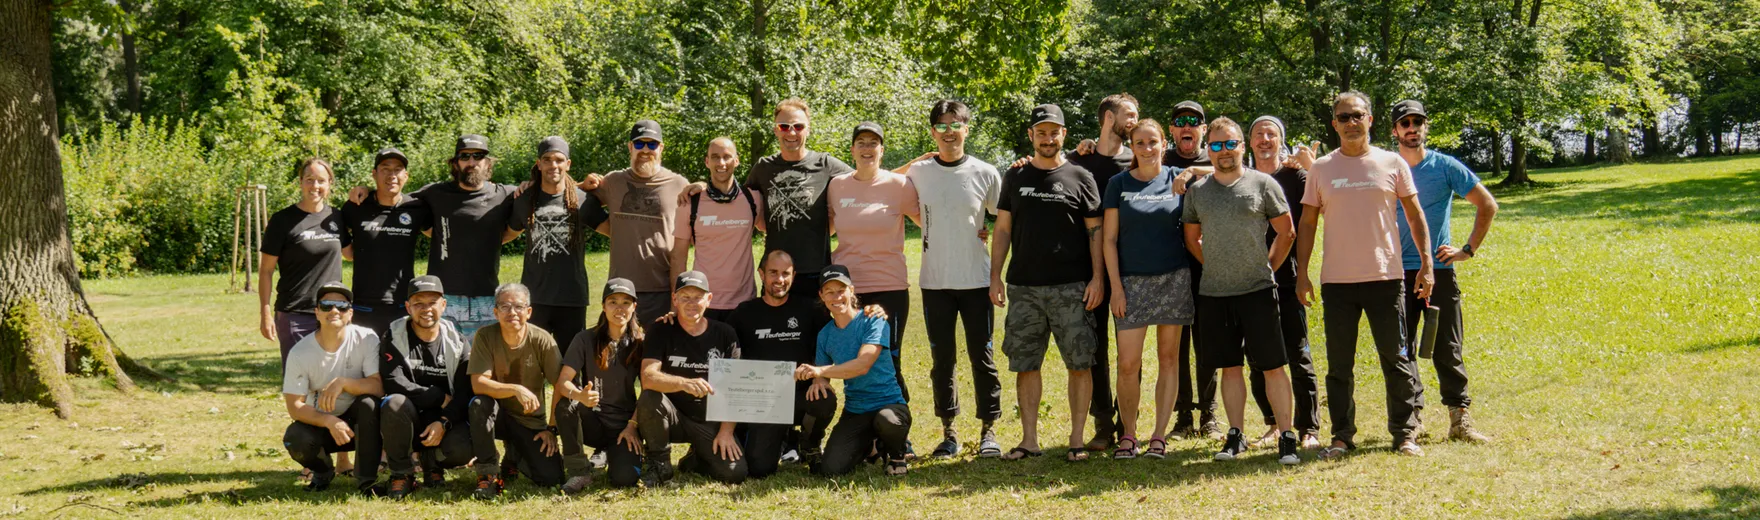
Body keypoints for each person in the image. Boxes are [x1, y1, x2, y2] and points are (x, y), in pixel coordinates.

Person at [1295, 91, 1435, 459]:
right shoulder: (1322, 169)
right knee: (1340, 366)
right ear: (1334, 124)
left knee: (1397, 358)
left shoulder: (1392, 163)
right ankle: (1342, 436)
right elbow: (1308, 222)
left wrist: (1426, 263)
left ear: (1370, 120)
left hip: (1385, 279)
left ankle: (1405, 433)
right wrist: (1302, 274)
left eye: (1358, 115)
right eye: (1344, 117)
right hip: (1337, 282)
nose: (1351, 122)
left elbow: (1415, 214)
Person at [1181, 117, 1302, 465]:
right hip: (1215, 294)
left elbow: (1287, 232)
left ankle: (1287, 435)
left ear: (1241, 146)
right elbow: (1191, 239)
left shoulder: (1263, 184)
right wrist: (1216, 264)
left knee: (1273, 366)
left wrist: (1266, 267)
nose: (1224, 151)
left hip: (1258, 291)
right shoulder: (1198, 193)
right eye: (1216, 145)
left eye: (1230, 143)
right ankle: (1236, 435)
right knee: (1229, 367)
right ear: (1209, 149)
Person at [991, 104, 1105, 462]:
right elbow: (1003, 228)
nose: (1047, 138)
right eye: (1041, 132)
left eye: (1054, 131)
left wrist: (1098, 277)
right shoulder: (1015, 177)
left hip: (1071, 286)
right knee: (1026, 364)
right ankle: (1029, 440)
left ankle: (1075, 439)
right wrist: (995, 274)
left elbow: (1095, 232)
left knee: (1080, 363)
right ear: (1031, 136)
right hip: (1024, 287)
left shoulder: (1080, 176)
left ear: (1063, 135)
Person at [1390, 99, 1497, 443]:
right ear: (1395, 130)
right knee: (1401, 348)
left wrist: (1467, 250)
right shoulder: (1385, 168)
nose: (1411, 128)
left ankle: (1459, 421)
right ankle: (1412, 420)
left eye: (1417, 122)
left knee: (1446, 347)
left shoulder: (1446, 166)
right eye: (1404, 123)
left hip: (1438, 271)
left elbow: (1487, 204)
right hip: (1394, 274)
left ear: (1426, 127)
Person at [905, 99, 1005, 459]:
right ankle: (949, 432)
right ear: (933, 132)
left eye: (955, 125)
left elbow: (1002, 216)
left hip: (976, 281)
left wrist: (987, 236)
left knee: (983, 356)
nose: (949, 133)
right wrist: (914, 161)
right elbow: (880, 182)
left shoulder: (986, 172)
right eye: (942, 126)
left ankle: (988, 430)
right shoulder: (918, 173)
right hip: (935, 284)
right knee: (942, 361)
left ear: (967, 128)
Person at [1100, 118, 1193, 460]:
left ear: (1163, 144)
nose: (1147, 148)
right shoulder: (1117, 184)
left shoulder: (1177, 179)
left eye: (1153, 142)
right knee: (1128, 363)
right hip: (1131, 283)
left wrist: (1189, 171)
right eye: (1140, 143)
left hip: (1174, 278)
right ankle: (1128, 435)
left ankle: (1159, 436)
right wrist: (1116, 288)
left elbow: (1224, 167)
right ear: (1132, 147)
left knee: (1169, 359)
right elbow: (1108, 240)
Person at [1243, 115, 1324, 451]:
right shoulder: (1240, 178)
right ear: (1250, 142)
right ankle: (1274, 424)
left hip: (1287, 279)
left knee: (1298, 354)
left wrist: (1314, 165)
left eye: (1271, 134)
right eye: (1258, 134)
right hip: (1248, 280)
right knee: (1258, 358)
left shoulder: (1296, 176)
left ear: (1281, 140)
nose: (1264, 139)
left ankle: (1309, 428)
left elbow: (1324, 200)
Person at [828, 122, 920, 406]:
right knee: (852, 359)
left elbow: (931, 222)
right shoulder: (837, 186)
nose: (867, 148)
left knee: (888, 360)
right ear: (853, 149)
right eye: (862, 143)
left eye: (873, 143)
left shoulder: (900, 185)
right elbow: (823, 229)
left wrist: (974, 229)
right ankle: (863, 434)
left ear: (882, 150)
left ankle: (898, 436)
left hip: (888, 287)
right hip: (847, 291)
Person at [726, 251, 839, 477]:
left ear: (794, 275)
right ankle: (785, 437)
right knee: (759, 469)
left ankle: (810, 443)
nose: (780, 280)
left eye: (785, 274)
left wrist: (820, 377)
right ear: (761, 274)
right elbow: (724, 352)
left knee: (824, 399)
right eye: (773, 273)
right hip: (765, 401)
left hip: (801, 394)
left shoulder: (811, 309)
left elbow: (835, 334)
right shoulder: (744, 313)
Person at [404, 134, 522, 338]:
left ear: (487, 163)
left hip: (485, 300)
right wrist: (367, 191)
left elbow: (548, 191)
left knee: (483, 366)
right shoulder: (435, 193)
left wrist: (581, 186)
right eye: (465, 156)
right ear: (455, 163)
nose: (472, 162)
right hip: (443, 299)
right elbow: (393, 199)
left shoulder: (504, 195)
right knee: (443, 365)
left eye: (478, 156)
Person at [637, 271, 749, 485]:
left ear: (709, 299)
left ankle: (697, 457)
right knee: (650, 398)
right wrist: (683, 383)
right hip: (672, 417)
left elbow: (736, 386)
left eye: (697, 297)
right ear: (674, 299)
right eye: (685, 297)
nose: (691, 303)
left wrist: (726, 431)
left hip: (709, 419)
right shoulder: (661, 329)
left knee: (734, 473)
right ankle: (659, 463)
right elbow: (648, 377)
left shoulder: (725, 333)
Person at [800, 265, 913, 476]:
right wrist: (818, 383)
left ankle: (897, 455)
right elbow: (823, 378)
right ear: (821, 296)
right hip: (856, 410)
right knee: (831, 469)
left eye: (841, 290)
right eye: (829, 292)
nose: (836, 297)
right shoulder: (825, 335)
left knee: (888, 420)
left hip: (888, 404)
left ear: (851, 291)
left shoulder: (873, 320)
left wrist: (819, 371)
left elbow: (863, 364)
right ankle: (869, 446)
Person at [744, 98, 855, 297]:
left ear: (808, 129)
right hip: (776, 275)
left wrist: (911, 169)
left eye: (798, 126)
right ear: (776, 130)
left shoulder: (825, 164)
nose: (791, 132)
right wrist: (700, 187)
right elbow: (736, 200)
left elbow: (867, 179)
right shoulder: (763, 168)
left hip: (815, 273)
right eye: (784, 126)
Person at [280, 283, 382, 494]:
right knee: (295, 437)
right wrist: (329, 421)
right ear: (317, 312)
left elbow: (378, 386)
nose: (334, 311)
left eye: (341, 306)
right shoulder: (300, 352)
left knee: (370, 403)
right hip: (321, 422)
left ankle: (366, 480)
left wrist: (343, 383)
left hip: (359, 424)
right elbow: (294, 407)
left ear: (350, 313)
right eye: (326, 305)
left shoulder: (367, 338)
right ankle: (323, 471)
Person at [376, 275, 473, 498]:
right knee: (393, 403)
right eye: (419, 303)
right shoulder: (393, 335)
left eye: (432, 302)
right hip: (408, 417)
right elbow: (392, 381)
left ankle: (432, 466)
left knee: (464, 447)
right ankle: (402, 474)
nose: (426, 309)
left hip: (441, 418)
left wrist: (444, 421)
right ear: (408, 307)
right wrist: (437, 396)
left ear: (444, 305)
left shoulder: (458, 341)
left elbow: (464, 391)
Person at [465, 283, 565, 498]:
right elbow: (478, 384)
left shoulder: (542, 339)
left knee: (551, 478)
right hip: (497, 415)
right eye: (505, 306)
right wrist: (515, 389)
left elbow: (560, 385)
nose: (512, 313)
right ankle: (488, 474)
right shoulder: (485, 336)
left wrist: (552, 429)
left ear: (529, 312)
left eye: (519, 307)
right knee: (479, 404)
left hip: (529, 421)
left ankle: (513, 457)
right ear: (495, 312)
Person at [510, 136, 610, 343]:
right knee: (532, 366)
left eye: (558, 159)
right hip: (533, 297)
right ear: (538, 164)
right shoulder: (524, 199)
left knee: (572, 366)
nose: (553, 165)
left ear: (568, 164)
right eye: (546, 159)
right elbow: (507, 233)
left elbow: (614, 231)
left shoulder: (583, 200)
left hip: (571, 298)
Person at [593, 121, 691, 325]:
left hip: (661, 289)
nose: (645, 150)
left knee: (656, 354)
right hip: (621, 290)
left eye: (652, 144)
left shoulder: (679, 184)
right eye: (639, 144)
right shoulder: (613, 182)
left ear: (661, 148)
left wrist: (702, 185)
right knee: (619, 354)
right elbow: (570, 197)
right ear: (630, 147)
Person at [554, 278, 647, 492]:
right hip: (592, 420)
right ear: (604, 306)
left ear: (634, 307)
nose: (619, 308)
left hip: (623, 427)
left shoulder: (641, 342)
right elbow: (563, 382)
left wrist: (633, 425)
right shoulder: (585, 338)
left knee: (624, 478)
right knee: (566, 406)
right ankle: (579, 471)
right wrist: (579, 396)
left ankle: (611, 452)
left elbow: (649, 390)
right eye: (613, 301)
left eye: (626, 302)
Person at [260, 158, 353, 363]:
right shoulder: (282, 220)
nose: (315, 186)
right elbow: (266, 270)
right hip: (296, 313)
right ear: (301, 182)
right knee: (299, 379)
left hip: (332, 312)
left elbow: (350, 254)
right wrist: (265, 313)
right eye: (309, 180)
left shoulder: (337, 217)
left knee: (331, 377)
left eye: (321, 180)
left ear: (330, 184)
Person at [671, 137, 761, 323]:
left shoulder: (753, 199)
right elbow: (678, 257)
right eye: (715, 157)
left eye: (727, 157)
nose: (721, 163)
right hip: (703, 303)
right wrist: (676, 305)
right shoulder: (689, 203)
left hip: (744, 302)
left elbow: (772, 232)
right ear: (707, 161)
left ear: (737, 160)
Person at [341, 148, 428, 339]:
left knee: (398, 365)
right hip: (363, 305)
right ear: (374, 174)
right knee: (363, 367)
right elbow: (343, 245)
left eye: (397, 169)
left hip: (402, 305)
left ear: (406, 176)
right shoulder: (356, 206)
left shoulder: (416, 207)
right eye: (385, 169)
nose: (392, 175)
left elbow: (437, 233)